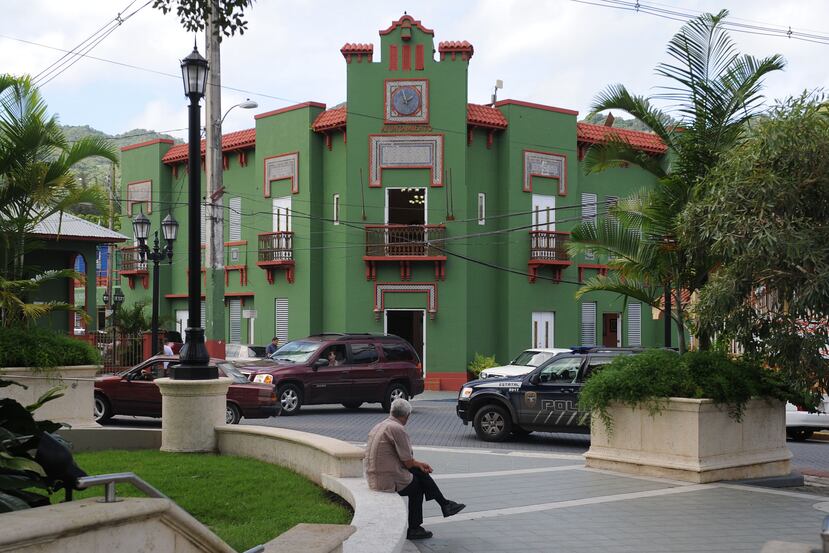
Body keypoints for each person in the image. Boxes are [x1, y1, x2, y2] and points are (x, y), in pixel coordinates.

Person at [364, 398, 465, 540]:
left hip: (374, 476)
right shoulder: (397, 428)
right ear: (407, 415)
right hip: (385, 481)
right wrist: (418, 464)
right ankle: (417, 526)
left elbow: (408, 462)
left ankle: (445, 504)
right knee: (418, 487)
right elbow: (408, 462)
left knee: (419, 472)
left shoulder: (380, 425)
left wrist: (419, 464)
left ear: (392, 411)